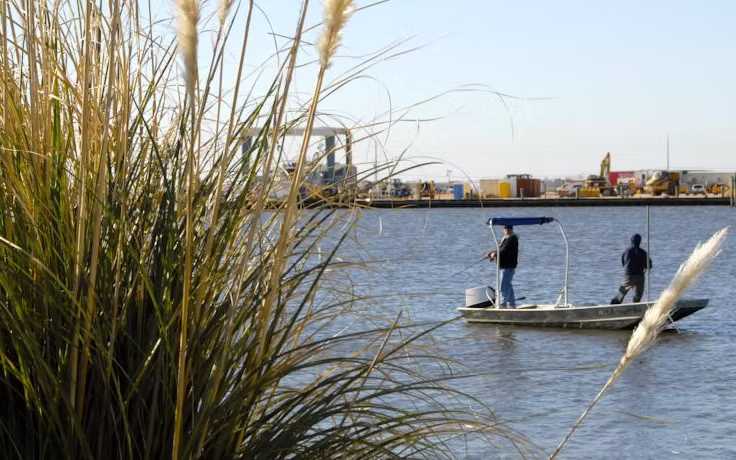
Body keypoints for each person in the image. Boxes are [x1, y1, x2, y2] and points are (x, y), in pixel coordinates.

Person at [610, 233, 652, 304]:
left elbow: (623, 263)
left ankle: (614, 305)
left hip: (628, 276)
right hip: (640, 277)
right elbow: (649, 266)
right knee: (637, 298)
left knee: (620, 295)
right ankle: (635, 308)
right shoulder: (643, 252)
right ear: (639, 242)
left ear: (631, 241)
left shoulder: (626, 251)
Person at [487, 225, 519, 308]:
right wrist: (491, 254)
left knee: (503, 285)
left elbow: (504, 250)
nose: (507, 230)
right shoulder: (505, 239)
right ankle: (512, 304)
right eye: (506, 228)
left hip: (508, 266)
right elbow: (500, 249)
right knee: (508, 285)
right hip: (504, 266)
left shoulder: (512, 239)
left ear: (512, 229)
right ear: (503, 230)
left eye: (509, 228)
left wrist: (495, 254)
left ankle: (503, 304)